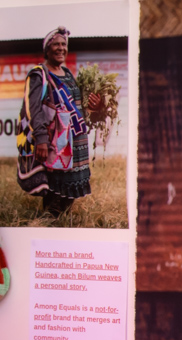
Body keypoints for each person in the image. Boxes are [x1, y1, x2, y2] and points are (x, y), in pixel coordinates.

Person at [16, 26, 101, 216]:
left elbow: (76, 108)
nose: (61, 48)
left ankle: (62, 224)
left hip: (75, 143)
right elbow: (33, 109)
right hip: (56, 143)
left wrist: (94, 107)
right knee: (55, 192)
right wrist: (41, 139)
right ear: (47, 49)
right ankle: (48, 224)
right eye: (56, 44)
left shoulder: (68, 74)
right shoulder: (39, 74)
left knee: (69, 193)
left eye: (64, 44)